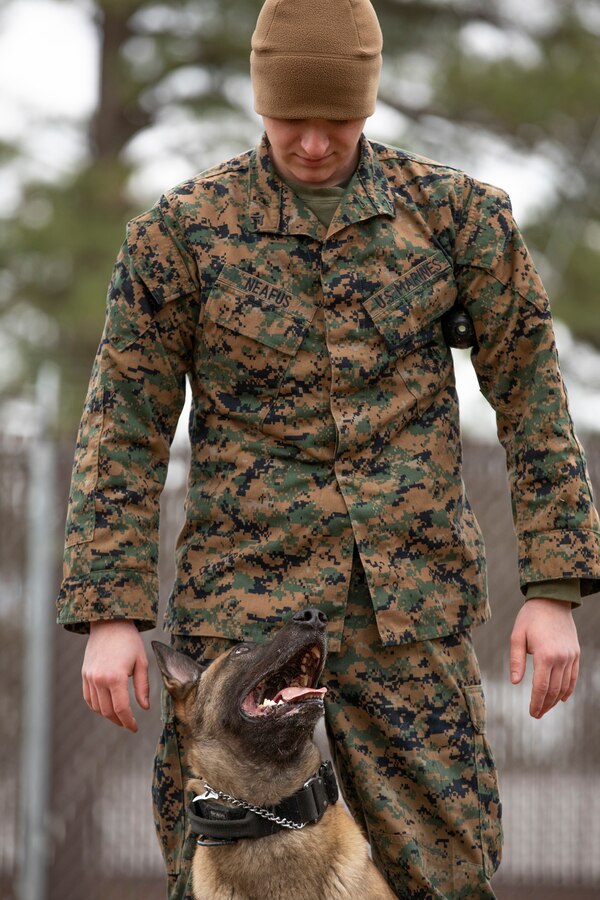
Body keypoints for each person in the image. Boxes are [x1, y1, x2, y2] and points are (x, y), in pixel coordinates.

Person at [57, 1, 600, 897]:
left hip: (408, 619)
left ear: (371, 103)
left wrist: (554, 588)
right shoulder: (182, 234)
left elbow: (531, 391)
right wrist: (110, 614)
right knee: (221, 877)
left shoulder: (457, 220)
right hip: (244, 633)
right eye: (290, 119)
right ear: (257, 100)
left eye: (338, 120)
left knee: (444, 871)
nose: (313, 141)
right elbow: (123, 423)